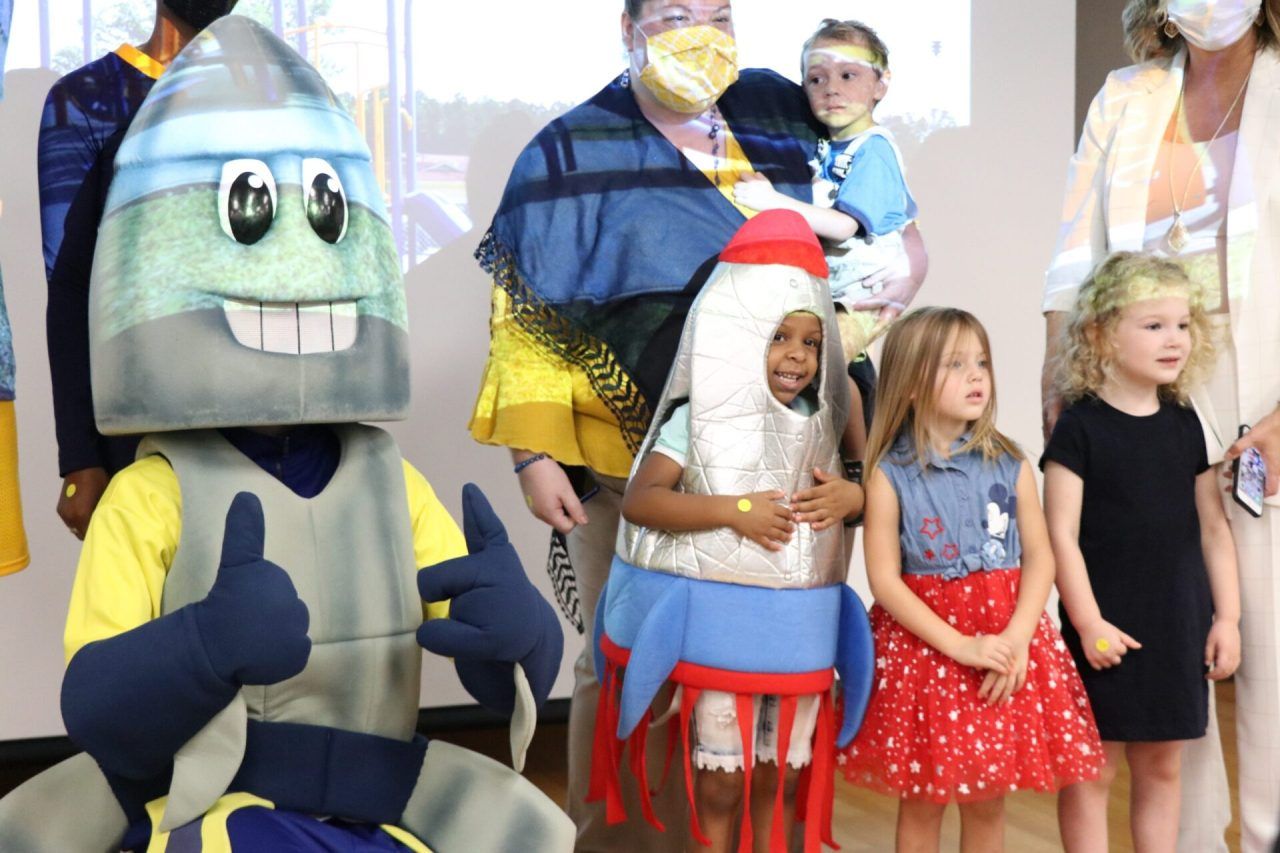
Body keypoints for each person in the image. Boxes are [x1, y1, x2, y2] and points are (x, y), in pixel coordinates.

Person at [0, 17, 570, 852]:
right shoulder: (150, 497)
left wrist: (520, 632)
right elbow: (98, 705)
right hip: (212, 806)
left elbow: (493, 668)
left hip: (375, 805)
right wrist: (200, 644)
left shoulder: (390, 484)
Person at [469, 1, 927, 848]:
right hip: (632, 459)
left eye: (717, 11)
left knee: (767, 668)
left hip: (791, 460)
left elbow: (883, 233)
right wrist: (532, 454)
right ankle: (618, 838)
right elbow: (523, 313)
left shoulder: (785, 116)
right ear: (629, 26)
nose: (701, 29)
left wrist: (889, 298)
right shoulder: (571, 150)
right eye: (677, 12)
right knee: (628, 655)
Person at [1040, 1, 1280, 848]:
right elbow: (1076, 249)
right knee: (1174, 637)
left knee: (1268, 649)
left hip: (1266, 399)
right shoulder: (1124, 96)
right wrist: (1059, 366)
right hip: (1144, 387)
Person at [594, 211, 868, 853]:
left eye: (809, 341)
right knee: (720, 781)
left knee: (786, 773)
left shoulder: (837, 407)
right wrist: (733, 510)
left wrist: (853, 494)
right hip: (724, 632)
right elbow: (642, 501)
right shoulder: (698, 416)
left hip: (798, 631)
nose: (796, 356)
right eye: (778, 337)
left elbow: (868, 488)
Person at [841, 307, 1101, 852]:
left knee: (987, 800)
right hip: (929, 654)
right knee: (924, 802)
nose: (977, 374)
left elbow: (1040, 556)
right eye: (955, 365)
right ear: (911, 384)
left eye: (980, 361)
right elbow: (886, 581)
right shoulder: (890, 474)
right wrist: (960, 644)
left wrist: (1017, 638)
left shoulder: (1010, 462)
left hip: (1005, 645)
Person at [1042, 252, 1241, 853]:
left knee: (1162, 767)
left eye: (1181, 325)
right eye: (1153, 326)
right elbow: (1060, 535)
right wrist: (1088, 621)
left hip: (1176, 627)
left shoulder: (1184, 424)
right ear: (1101, 333)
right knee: (1091, 772)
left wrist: (1227, 617)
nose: (1173, 339)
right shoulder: (1078, 427)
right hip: (1103, 629)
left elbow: (1212, 528)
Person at [38, 0, 237, 540]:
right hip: (139, 426)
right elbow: (70, 283)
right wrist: (81, 453)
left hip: (257, 415)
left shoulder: (268, 93)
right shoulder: (84, 100)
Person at [732, 18, 917, 369]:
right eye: (817, 79)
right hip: (835, 291)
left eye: (848, 75)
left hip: (861, 294)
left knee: (823, 370)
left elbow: (845, 226)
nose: (831, 88)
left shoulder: (873, 149)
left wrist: (772, 201)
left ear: (881, 84)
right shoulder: (829, 146)